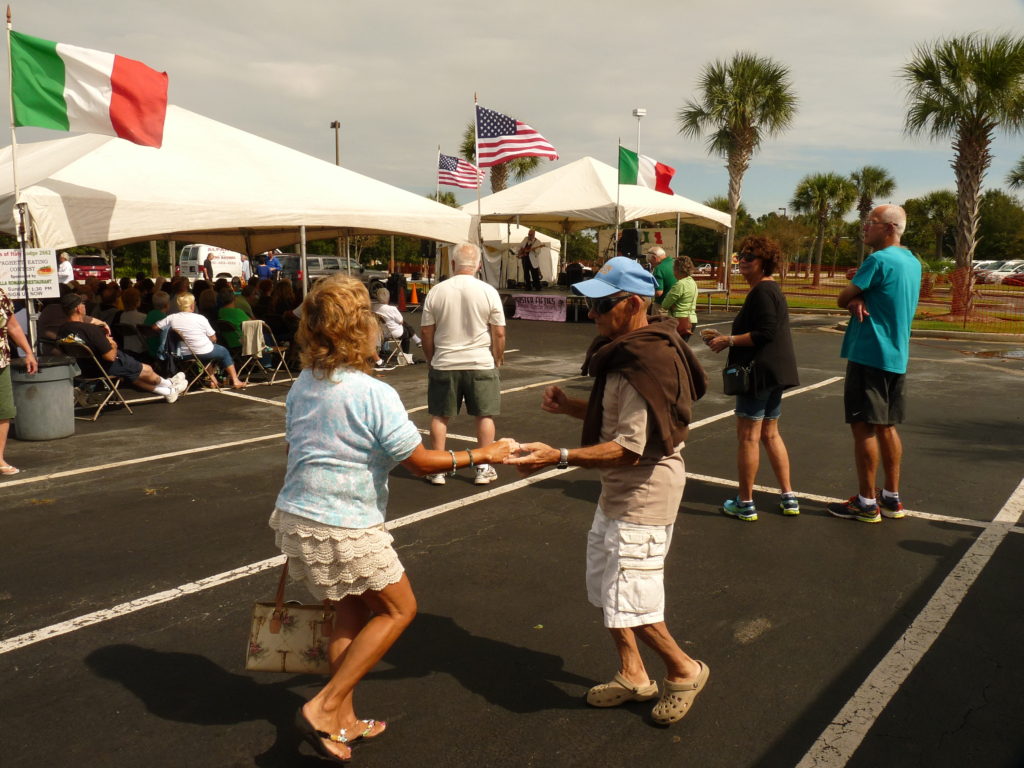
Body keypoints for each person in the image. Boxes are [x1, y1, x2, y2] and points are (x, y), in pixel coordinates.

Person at [271, 275, 514, 763]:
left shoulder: (304, 382)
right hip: (343, 522)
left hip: (297, 514)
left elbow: (299, 444)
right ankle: (325, 706)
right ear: (363, 330)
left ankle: (341, 722)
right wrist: (484, 454)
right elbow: (419, 461)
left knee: (350, 611)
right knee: (399, 610)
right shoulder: (371, 392)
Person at [507, 256, 710, 727]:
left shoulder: (641, 362)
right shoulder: (630, 352)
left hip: (643, 495)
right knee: (608, 588)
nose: (591, 316)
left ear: (633, 303)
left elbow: (630, 448)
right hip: (621, 495)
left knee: (632, 598)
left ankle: (684, 670)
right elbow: (622, 422)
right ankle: (633, 673)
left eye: (600, 306)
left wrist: (555, 456)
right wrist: (573, 408)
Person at [828, 204, 921, 523]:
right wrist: (861, 292)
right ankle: (891, 498)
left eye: (872, 222)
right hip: (896, 354)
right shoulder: (910, 260)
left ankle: (866, 503)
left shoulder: (878, 260)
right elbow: (885, 293)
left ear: (891, 228)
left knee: (863, 426)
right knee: (887, 425)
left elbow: (842, 298)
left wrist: (854, 297)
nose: (865, 227)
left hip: (869, 353)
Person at [705, 236, 800, 520]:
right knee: (770, 433)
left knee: (748, 437)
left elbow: (765, 332)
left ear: (764, 263)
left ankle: (745, 502)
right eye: (741, 256)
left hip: (758, 374)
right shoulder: (768, 290)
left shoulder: (762, 291)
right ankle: (788, 496)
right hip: (775, 372)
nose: (743, 260)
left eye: (750, 257)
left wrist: (728, 340)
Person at [420, 242, 506, 486]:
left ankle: (437, 468)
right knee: (484, 415)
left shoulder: (437, 291)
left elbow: (427, 332)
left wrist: (431, 358)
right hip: (480, 361)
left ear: (453, 264)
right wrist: (497, 357)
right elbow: (498, 332)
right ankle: (484, 466)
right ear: (478, 265)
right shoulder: (488, 291)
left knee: (440, 416)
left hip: (445, 362)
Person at [58, 294, 185, 403]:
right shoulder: (91, 330)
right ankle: (171, 385)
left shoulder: (62, 330)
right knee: (147, 370)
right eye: (83, 304)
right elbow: (110, 356)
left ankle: (167, 390)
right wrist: (112, 343)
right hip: (106, 366)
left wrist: (100, 323)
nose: (85, 306)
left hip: (85, 368)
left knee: (134, 376)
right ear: (78, 308)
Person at [153, 293, 246, 389]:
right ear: (192, 305)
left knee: (204, 351)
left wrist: (169, 332)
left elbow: (155, 327)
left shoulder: (171, 317)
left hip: (182, 354)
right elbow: (213, 337)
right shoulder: (200, 318)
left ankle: (213, 381)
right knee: (223, 351)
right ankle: (235, 380)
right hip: (202, 351)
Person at [0, 287, 38, 475]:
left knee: (4, 411)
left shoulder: (1, 294)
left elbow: (12, 325)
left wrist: (28, 353)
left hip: (1, 363)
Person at [372, 287, 421, 365]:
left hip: (381, 333)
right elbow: (401, 321)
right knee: (406, 333)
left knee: (405, 327)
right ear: (388, 297)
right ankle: (406, 354)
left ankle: (417, 340)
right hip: (394, 332)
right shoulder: (392, 309)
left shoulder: (374, 307)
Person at [659, 255, 699, 339]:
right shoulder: (692, 282)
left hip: (680, 321)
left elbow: (665, 305)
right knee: (682, 348)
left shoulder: (680, 284)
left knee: (673, 349)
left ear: (677, 270)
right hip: (692, 319)